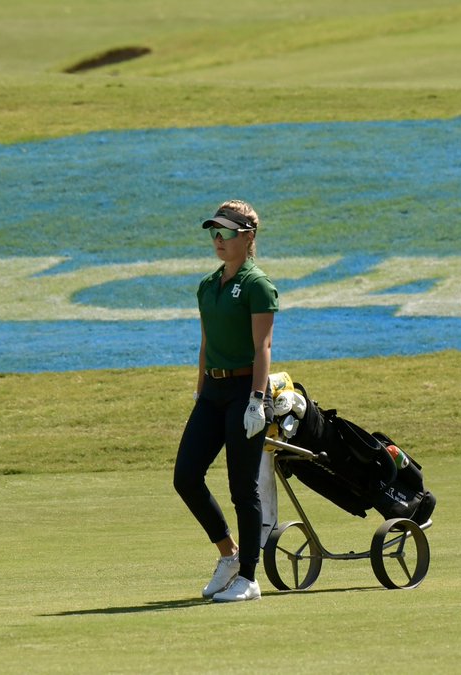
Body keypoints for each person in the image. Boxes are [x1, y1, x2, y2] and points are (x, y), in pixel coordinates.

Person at [174, 199, 278, 603]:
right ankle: (229, 554)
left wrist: (256, 399)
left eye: (227, 232)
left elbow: (263, 345)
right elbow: (205, 343)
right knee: (185, 476)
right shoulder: (207, 285)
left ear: (247, 237)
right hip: (213, 393)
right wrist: (200, 389)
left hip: (245, 393)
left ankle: (249, 578)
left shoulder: (256, 284)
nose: (218, 239)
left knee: (242, 488)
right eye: (214, 233)